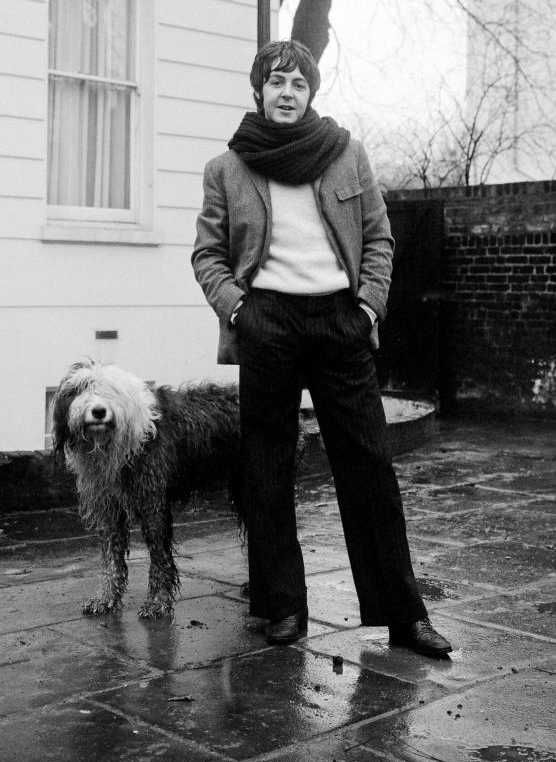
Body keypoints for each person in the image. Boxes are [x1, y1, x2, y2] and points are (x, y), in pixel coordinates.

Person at [191, 39, 452, 656]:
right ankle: (283, 606)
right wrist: (240, 309)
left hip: (341, 322)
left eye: (299, 84)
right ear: (258, 91)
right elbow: (207, 254)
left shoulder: (346, 154)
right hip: (267, 324)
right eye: (277, 81)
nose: (287, 92)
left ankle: (403, 615)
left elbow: (379, 240)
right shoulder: (227, 169)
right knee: (267, 470)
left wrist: (366, 308)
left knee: (370, 468)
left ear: (312, 93)